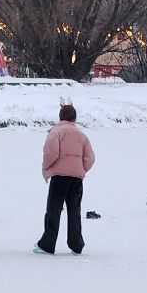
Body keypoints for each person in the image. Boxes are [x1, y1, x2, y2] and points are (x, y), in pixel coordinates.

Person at [34, 103, 95, 256]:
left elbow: (50, 153)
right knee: (74, 211)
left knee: (53, 210)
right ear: (75, 118)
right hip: (76, 179)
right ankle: (76, 244)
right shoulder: (82, 135)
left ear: (60, 117)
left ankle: (47, 244)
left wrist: (47, 168)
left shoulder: (56, 132)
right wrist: (80, 169)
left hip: (59, 177)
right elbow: (90, 158)